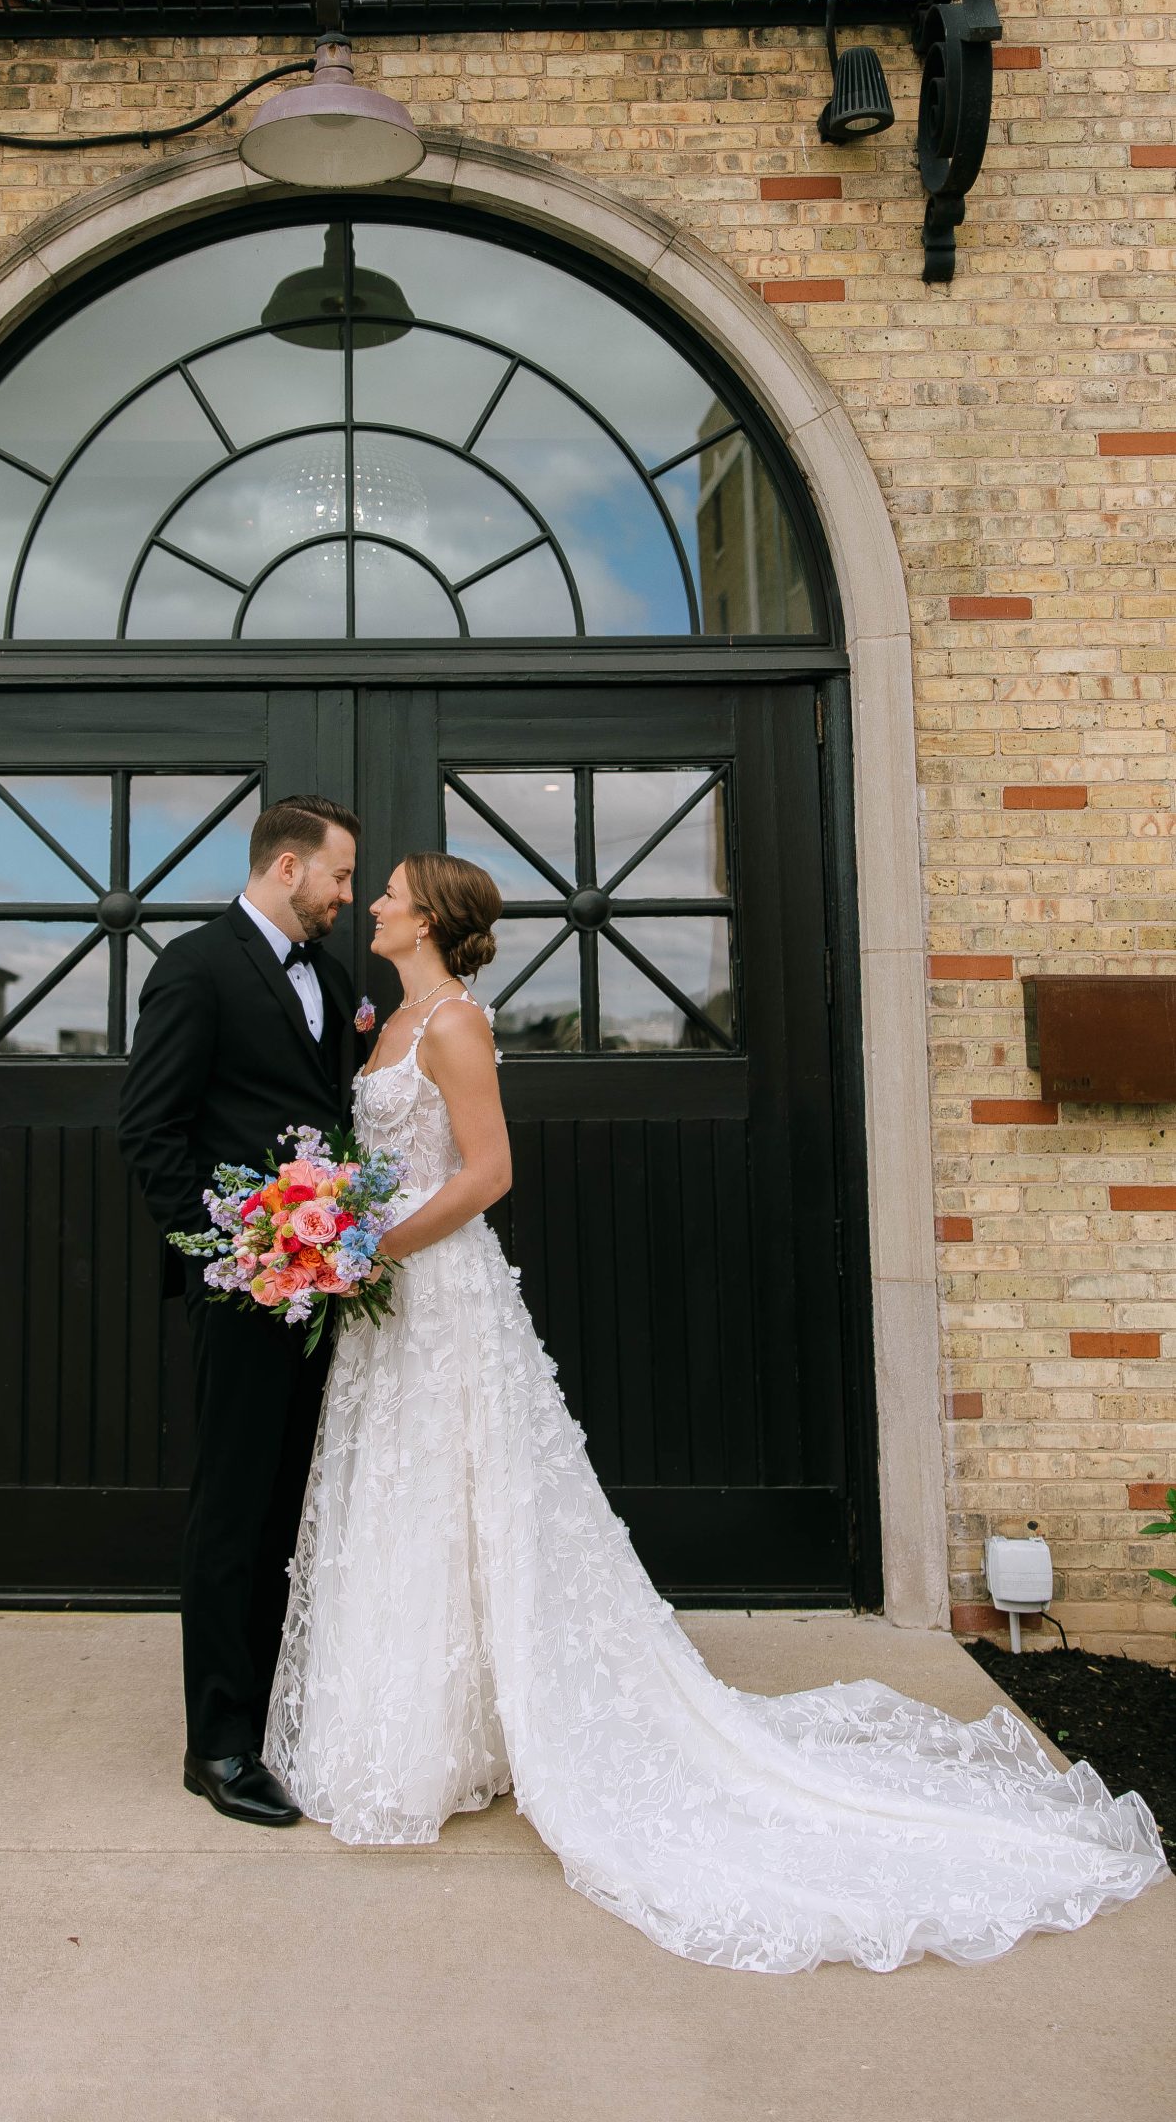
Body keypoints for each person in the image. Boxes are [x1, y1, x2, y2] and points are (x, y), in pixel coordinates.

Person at [265, 851, 1170, 1973]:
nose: (380, 903)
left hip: (438, 1291)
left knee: (469, 1490)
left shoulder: (453, 1023)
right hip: (388, 1302)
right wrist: (335, 1226)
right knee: (405, 1500)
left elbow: (489, 1171)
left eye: (394, 890)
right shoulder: (387, 1020)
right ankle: (429, 1735)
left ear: (432, 919)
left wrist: (372, 1244)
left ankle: (486, 1733)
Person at [118, 794, 364, 1829]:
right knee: (231, 1511)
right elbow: (152, 1130)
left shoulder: (338, 980)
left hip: (326, 1293)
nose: (349, 897)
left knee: (289, 1512)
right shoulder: (195, 965)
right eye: (341, 877)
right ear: (288, 867)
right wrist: (226, 1256)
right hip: (243, 1289)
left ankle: (274, 1717)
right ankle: (216, 1743)